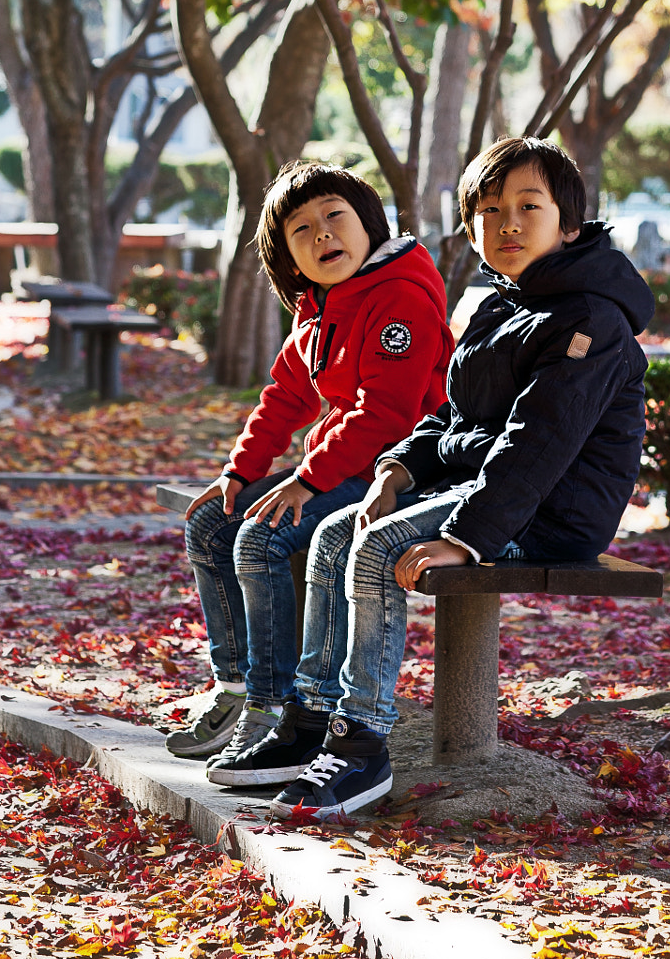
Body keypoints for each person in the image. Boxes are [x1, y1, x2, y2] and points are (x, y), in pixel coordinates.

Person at [220, 135, 652, 818]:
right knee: (337, 531)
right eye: (487, 211)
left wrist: (466, 538)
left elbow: (536, 448)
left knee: (373, 547)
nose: (505, 223)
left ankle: (361, 745)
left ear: (567, 224)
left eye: (526, 207)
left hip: (547, 515)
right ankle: (308, 722)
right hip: (488, 496)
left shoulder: (589, 321)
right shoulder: (501, 305)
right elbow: (452, 413)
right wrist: (399, 469)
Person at [164, 161, 453, 774]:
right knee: (214, 523)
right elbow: (285, 396)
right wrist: (240, 473)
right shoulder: (318, 307)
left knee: (263, 537)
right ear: (289, 258)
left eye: (334, 217)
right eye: (302, 229)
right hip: (338, 468)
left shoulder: (401, 297)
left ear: (369, 225)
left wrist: (306, 480)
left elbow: (388, 415)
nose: (322, 234)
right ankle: (239, 686)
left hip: (399, 475)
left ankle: (279, 710)